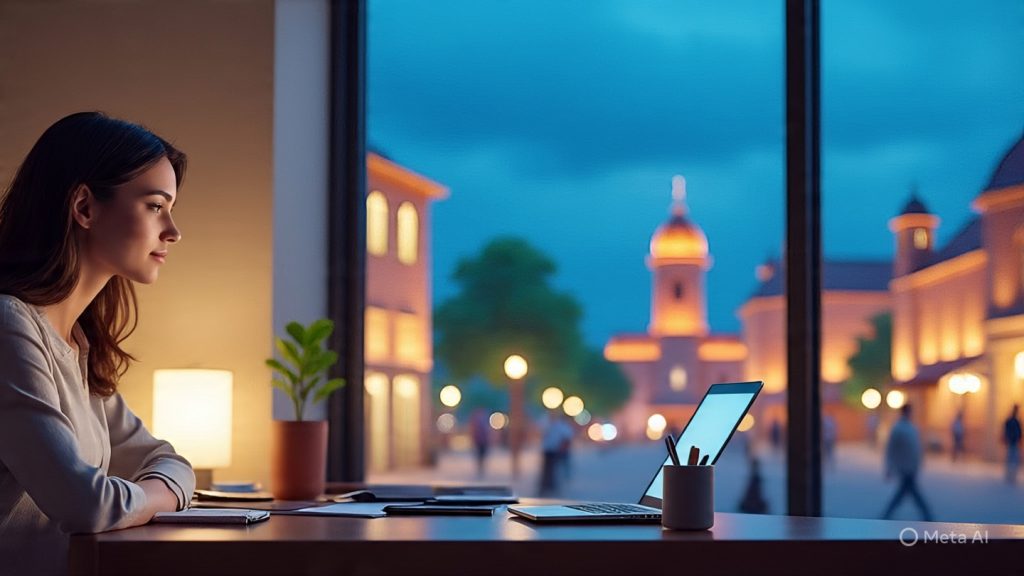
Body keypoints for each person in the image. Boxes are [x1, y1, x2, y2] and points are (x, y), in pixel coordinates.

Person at [0, 112, 196, 575]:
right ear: (85, 207)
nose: (173, 230)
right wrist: (156, 494)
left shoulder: (76, 344)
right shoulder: (10, 329)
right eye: (155, 205)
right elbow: (86, 504)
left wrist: (142, 493)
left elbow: (165, 459)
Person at [881, 403, 933, 521]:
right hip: (904, 466)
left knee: (904, 492)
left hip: (911, 465)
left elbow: (917, 447)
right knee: (912, 492)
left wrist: (919, 461)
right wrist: (889, 466)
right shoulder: (898, 428)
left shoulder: (911, 427)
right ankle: (927, 515)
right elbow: (891, 449)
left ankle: (887, 514)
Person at [538, 411, 573, 496]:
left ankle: (551, 486)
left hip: (556, 450)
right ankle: (545, 486)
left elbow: (567, 437)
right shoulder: (546, 423)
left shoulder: (560, 425)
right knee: (546, 469)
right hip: (547, 449)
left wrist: (562, 449)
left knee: (553, 469)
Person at [469, 408, 490, 478]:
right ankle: (480, 466)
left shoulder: (481, 421)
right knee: (480, 454)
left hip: (482, 440)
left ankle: (481, 466)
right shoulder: (479, 421)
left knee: (482, 454)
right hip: (479, 440)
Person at [1004, 404, 1022, 486]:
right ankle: (1010, 473)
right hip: (1012, 441)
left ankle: (1012, 473)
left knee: (1014, 457)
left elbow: (1019, 432)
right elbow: (1007, 429)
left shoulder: (1016, 421)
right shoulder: (1011, 421)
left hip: (1014, 441)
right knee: (1011, 457)